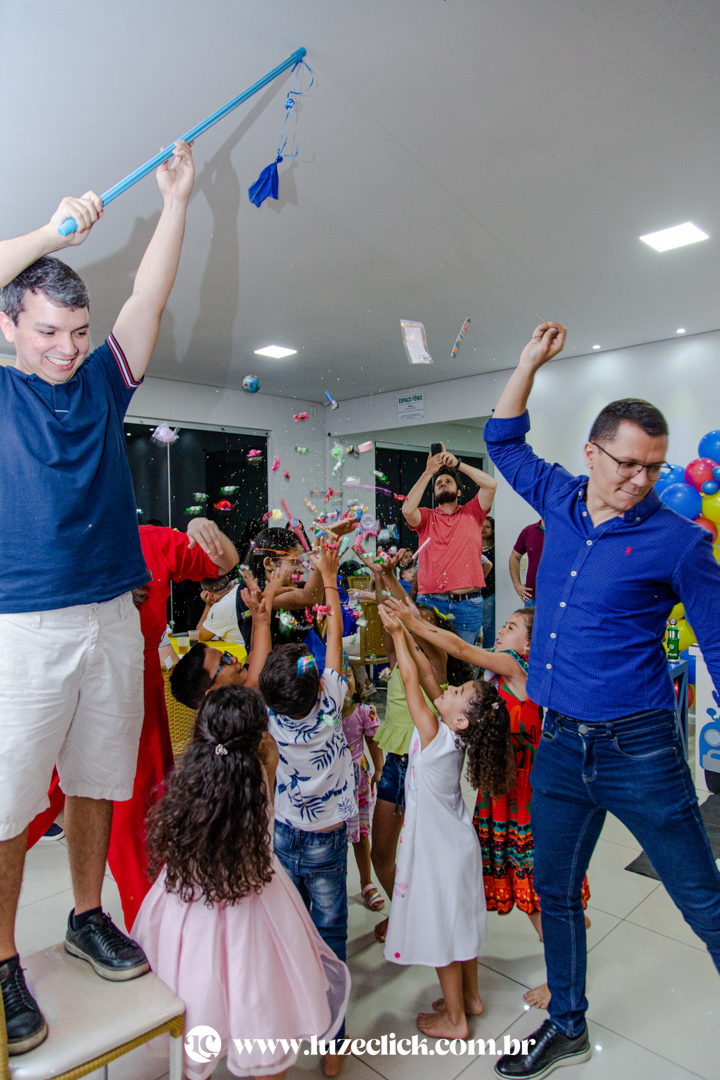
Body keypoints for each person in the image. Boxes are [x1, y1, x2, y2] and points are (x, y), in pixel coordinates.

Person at [0, 141, 196, 1053]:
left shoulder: (101, 386)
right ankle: (3, 958)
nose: (68, 348)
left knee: (97, 781)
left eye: (77, 331)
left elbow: (147, 298)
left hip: (113, 616)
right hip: (23, 626)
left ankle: (86, 916)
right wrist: (50, 232)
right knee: (7, 805)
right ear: (11, 325)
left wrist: (176, 202)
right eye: (48, 331)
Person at [485, 321, 720, 1079]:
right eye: (628, 463)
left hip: (640, 750)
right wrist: (528, 363)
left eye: (654, 466)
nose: (642, 479)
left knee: (702, 901)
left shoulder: (680, 541)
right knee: (554, 889)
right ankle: (567, 1027)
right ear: (591, 454)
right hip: (560, 746)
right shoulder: (558, 496)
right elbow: (502, 440)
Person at [133, 685, 351, 1080]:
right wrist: (269, 757)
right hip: (254, 912)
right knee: (262, 1011)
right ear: (260, 741)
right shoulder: (260, 777)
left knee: (196, 1003)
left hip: (189, 916)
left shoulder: (187, 783)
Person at [387, 599, 590, 1012]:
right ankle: (559, 935)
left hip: (524, 802)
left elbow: (459, 650)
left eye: (512, 627)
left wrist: (409, 625)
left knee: (535, 893)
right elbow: (431, 679)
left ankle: (561, 975)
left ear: (530, 645)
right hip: (501, 798)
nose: (501, 631)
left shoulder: (517, 666)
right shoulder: (492, 685)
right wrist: (405, 619)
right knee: (523, 885)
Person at [377, 604, 516, 1040]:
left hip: (438, 854)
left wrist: (397, 636)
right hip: (457, 846)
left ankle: (456, 1019)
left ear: (460, 718)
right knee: (460, 927)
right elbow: (427, 676)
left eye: (457, 691)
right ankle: (471, 998)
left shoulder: (434, 735)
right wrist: (409, 635)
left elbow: (411, 680)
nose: (448, 688)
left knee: (442, 935)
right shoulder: (453, 732)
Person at [108, 519, 238, 928]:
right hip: (65, 675)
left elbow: (224, 561)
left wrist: (204, 528)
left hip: (137, 686)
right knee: (25, 804)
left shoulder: (152, 541)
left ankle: (149, 922)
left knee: (141, 809)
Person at [258, 541, 352, 1078]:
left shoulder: (268, 716)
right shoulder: (332, 702)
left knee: (288, 933)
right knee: (330, 935)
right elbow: (334, 635)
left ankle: (289, 1023)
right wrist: (329, 578)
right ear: (318, 683)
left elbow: (264, 661)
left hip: (283, 833)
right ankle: (332, 1043)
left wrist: (263, 611)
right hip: (328, 838)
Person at [402, 444, 497, 644]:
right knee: (429, 659)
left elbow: (491, 485)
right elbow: (407, 510)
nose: (442, 483)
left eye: (448, 481)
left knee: (464, 660)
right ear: (434, 493)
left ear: (459, 492)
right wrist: (429, 472)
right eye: (439, 483)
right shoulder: (426, 517)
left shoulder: (473, 512)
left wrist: (457, 464)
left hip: (468, 605)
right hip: (431, 602)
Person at [340, 666, 385, 912]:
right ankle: (333, 885)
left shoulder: (363, 712)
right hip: (333, 782)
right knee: (334, 836)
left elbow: (373, 741)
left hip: (358, 781)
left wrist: (379, 770)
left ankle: (366, 882)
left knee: (361, 834)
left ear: (356, 682)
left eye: (346, 675)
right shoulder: (326, 716)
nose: (342, 681)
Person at [196, 573, 243, 643]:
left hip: (240, 648)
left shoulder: (221, 608)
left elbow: (201, 635)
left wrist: (208, 605)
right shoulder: (242, 588)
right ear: (227, 578)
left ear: (208, 594)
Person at [509, 519, 545, 607]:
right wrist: (517, 585)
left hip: (561, 598)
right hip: (533, 598)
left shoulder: (567, 531)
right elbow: (514, 557)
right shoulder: (529, 531)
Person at [481, 515, 496, 643]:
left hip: (488, 591)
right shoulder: (470, 544)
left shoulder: (495, 548)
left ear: (493, 530)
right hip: (470, 591)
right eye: (482, 525)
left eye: (487, 527)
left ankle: (488, 650)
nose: (483, 529)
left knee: (488, 624)